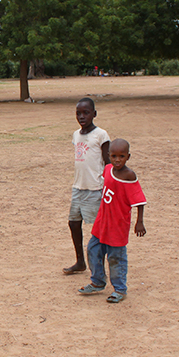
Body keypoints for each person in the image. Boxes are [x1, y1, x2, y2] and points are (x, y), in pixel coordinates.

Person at [77, 139, 146, 303]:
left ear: (128, 157)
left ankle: (120, 289)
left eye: (121, 156)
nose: (117, 160)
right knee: (93, 251)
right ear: (108, 156)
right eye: (114, 156)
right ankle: (97, 282)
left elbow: (139, 200)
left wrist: (139, 221)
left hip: (117, 226)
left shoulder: (129, 176)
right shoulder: (107, 170)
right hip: (102, 222)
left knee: (116, 258)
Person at [63, 98, 111, 275]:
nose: (82, 116)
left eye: (86, 113)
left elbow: (108, 163)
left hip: (95, 188)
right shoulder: (76, 135)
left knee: (97, 229)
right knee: (74, 223)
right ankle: (80, 261)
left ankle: (99, 266)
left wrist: (107, 186)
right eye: (78, 113)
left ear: (94, 114)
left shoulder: (101, 135)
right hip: (78, 187)